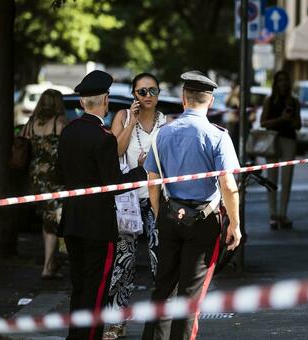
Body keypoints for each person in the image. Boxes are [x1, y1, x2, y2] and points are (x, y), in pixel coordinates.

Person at [141, 70, 241, 340]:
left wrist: (161, 214)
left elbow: (152, 180)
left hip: (170, 214)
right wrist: (235, 224)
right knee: (189, 297)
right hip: (204, 221)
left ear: (184, 99)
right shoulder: (218, 136)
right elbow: (228, 186)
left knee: (162, 290)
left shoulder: (162, 133)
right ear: (210, 102)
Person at [57, 70, 148, 340]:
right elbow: (114, 183)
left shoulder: (69, 132)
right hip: (97, 225)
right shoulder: (103, 137)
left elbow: (60, 172)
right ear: (105, 101)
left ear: (83, 103)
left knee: (80, 285)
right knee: (96, 289)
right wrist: (140, 172)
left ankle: (76, 336)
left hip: (73, 219)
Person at [103, 73, 167, 340]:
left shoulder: (166, 122)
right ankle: (117, 322)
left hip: (156, 200)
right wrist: (131, 120)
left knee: (159, 261)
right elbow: (115, 151)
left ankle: (161, 323)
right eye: (142, 92)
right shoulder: (122, 116)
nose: (147, 96)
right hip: (128, 200)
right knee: (124, 261)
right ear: (133, 95)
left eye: (152, 91)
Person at [25, 89, 68, 279]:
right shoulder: (59, 122)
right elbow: (68, 149)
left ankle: (49, 264)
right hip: (55, 178)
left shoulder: (31, 123)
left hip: (36, 177)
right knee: (58, 220)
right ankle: (50, 264)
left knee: (48, 221)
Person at [260, 70, 301, 230]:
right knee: (271, 179)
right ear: (276, 83)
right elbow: (263, 123)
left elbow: (298, 125)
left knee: (287, 179)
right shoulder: (269, 101)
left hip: (289, 140)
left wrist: (291, 119)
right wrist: (281, 119)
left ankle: (283, 214)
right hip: (273, 140)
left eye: (285, 80)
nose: (283, 83)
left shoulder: (294, 101)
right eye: (280, 80)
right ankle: (273, 214)